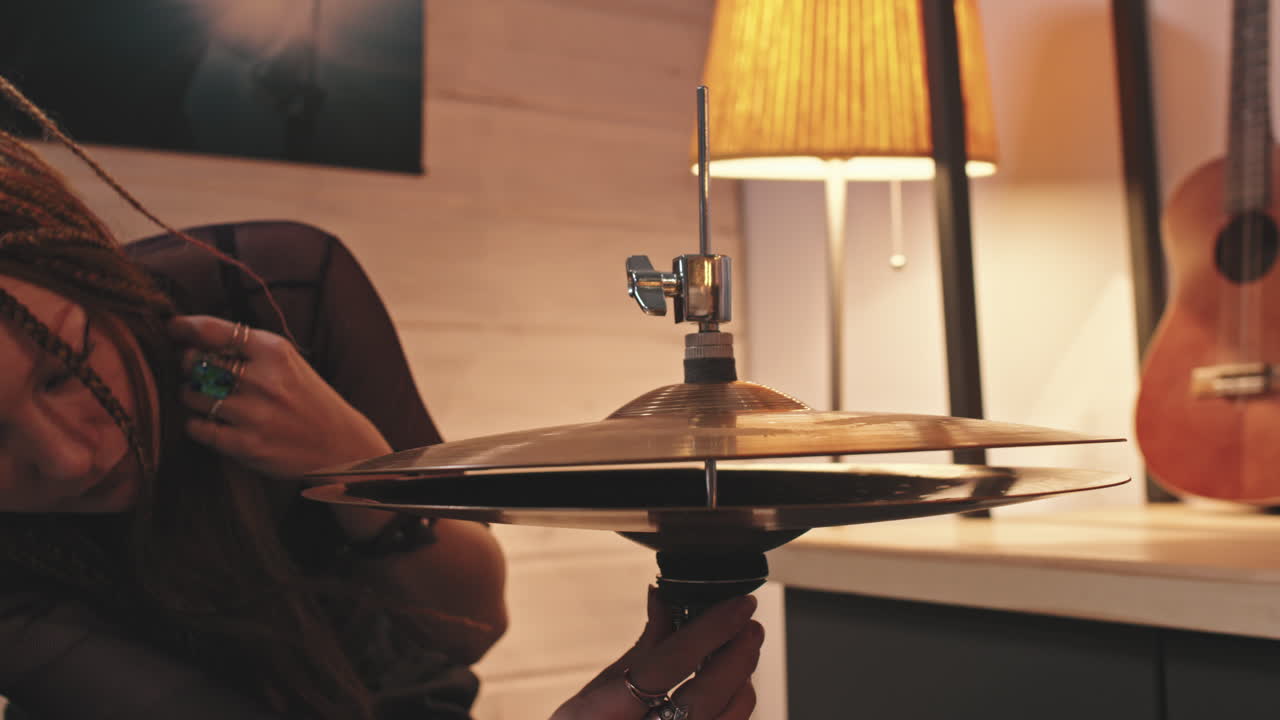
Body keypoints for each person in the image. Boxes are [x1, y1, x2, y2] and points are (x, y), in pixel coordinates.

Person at [0, 75, 763, 720]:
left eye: (66, 371)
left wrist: (354, 462)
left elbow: (469, 627)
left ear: (97, 274)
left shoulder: (269, 298)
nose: (66, 460)